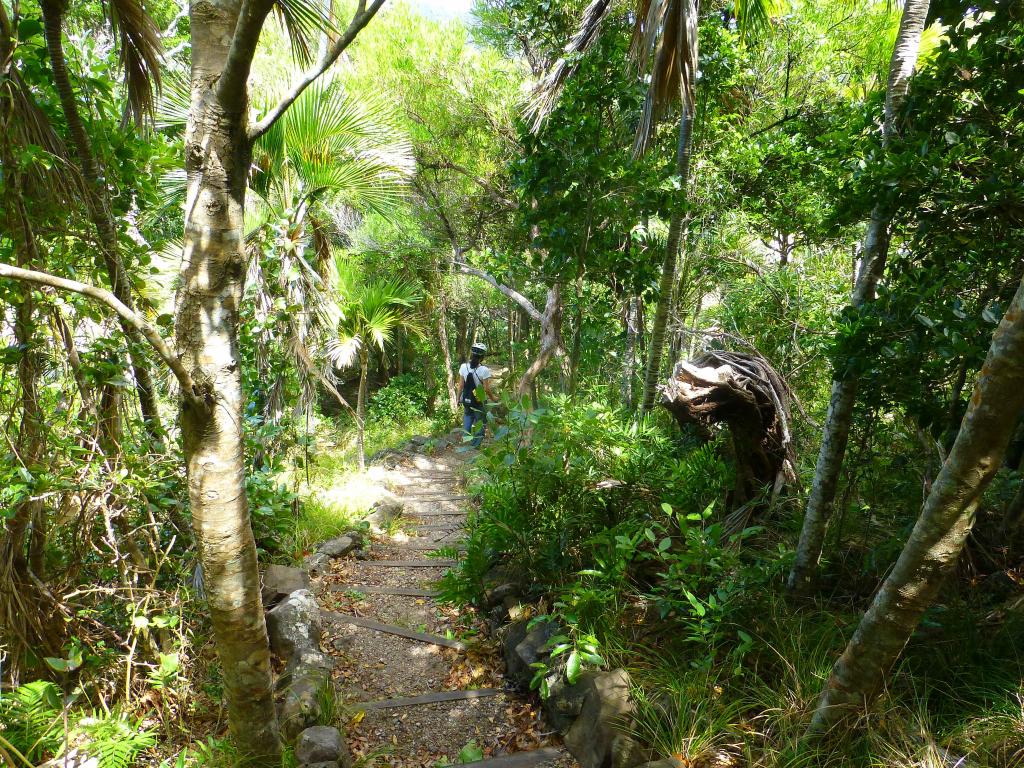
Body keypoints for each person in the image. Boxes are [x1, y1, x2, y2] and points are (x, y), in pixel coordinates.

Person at [457, 342, 496, 447]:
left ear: (472, 354)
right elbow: (486, 389)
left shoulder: (463, 367)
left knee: (467, 416)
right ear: (482, 357)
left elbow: (460, 385)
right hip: (479, 401)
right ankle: (475, 445)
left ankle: (466, 440)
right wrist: (493, 398)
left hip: (466, 399)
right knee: (480, 421)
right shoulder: (484, 370)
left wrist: (458, 399)